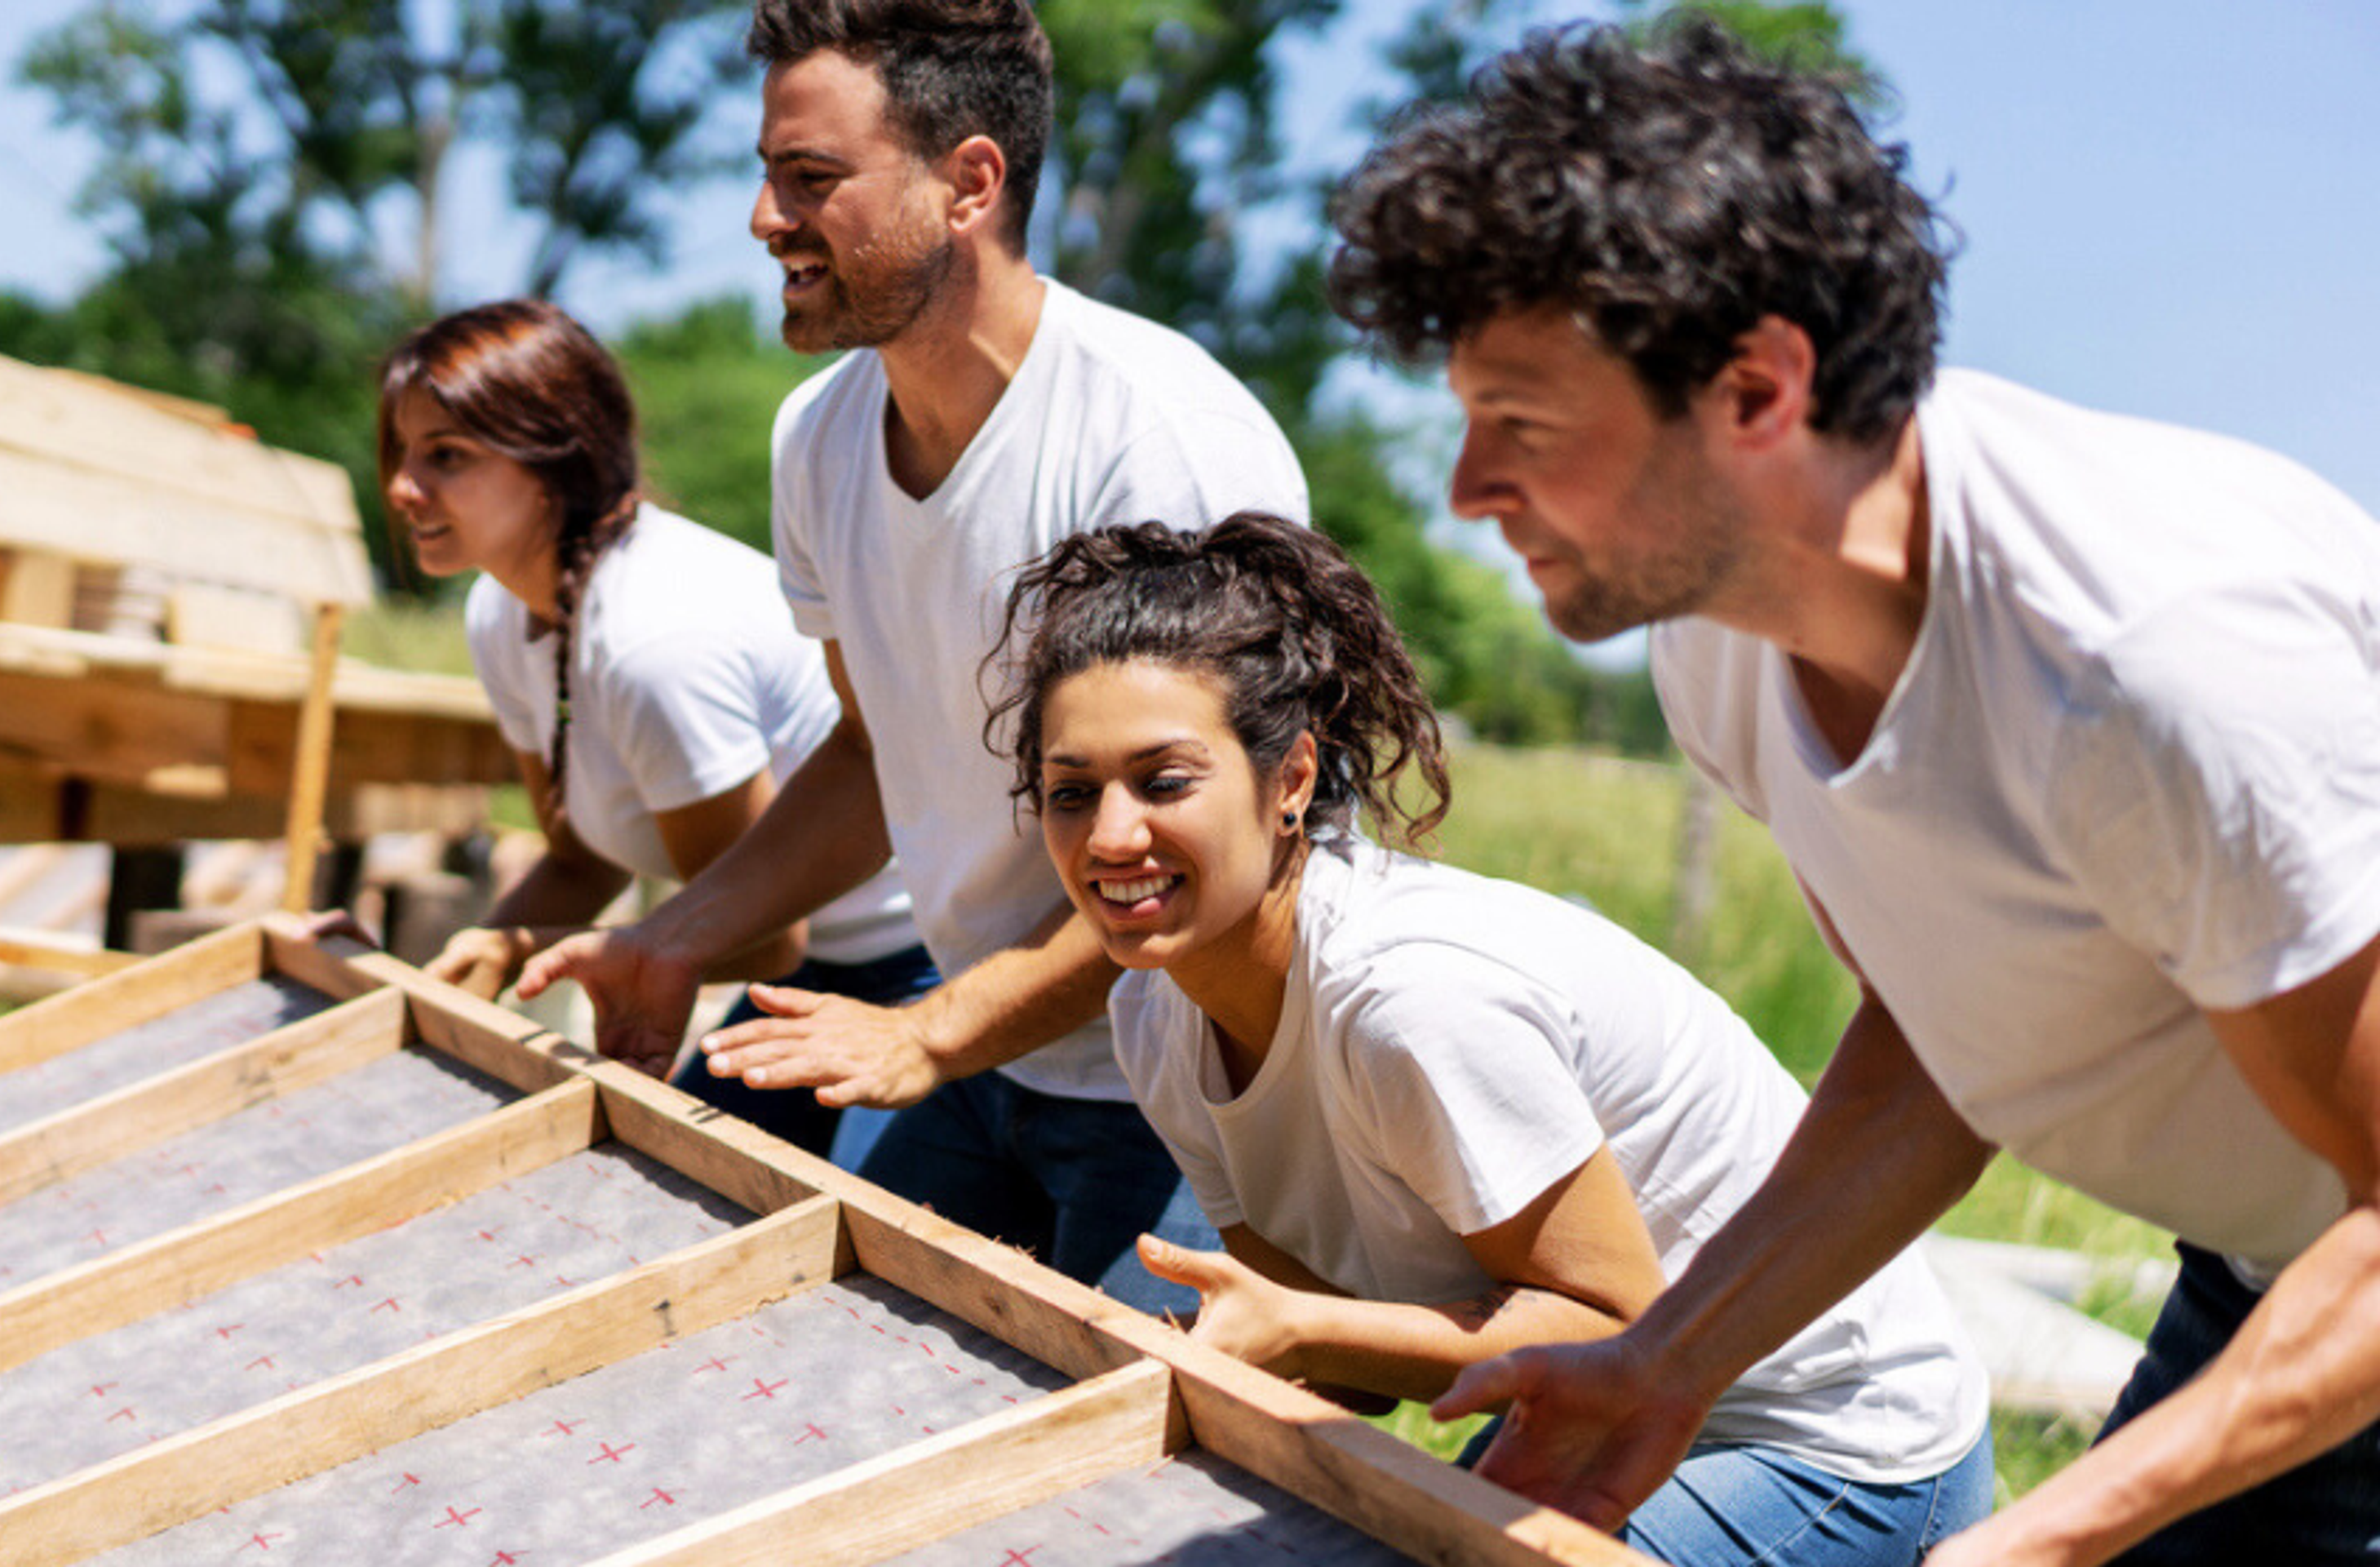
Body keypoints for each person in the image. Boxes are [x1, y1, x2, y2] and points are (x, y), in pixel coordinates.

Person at [1323, 20, 2380, 1566]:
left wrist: (2040, 1536)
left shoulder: (2151, 670)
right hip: (2277, 1268)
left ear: (1758, 389)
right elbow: (1948, 1040)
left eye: (1525, 427)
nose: (1467, 489)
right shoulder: (1724, 645)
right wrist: (1666, 1364)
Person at [994, 513, 1992, 1565]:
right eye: (1071, 792)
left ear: (1289, 780)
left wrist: (1295, 1336)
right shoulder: (1154, 1015)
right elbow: (1342, 1355)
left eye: (1163, 782)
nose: (1109, 836)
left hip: (1825, 1436)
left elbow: (1615, 1328)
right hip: (1591, 1412)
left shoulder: (1410, 1000)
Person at [515, 0, 1308, 1312]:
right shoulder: (817, 440)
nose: (766, 220)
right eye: (769, 176)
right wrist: (672, 938)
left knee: (1115, 1487)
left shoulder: (1155, 444)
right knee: (800, 1357)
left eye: (811, 180)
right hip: (973, 1046)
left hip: (1189, 1083)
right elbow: (870, 751)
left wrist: (931, 1028)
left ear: (970, 184)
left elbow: (1210, 850)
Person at [377, 299, 930, 1157]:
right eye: (401, 454)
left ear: (553, 460)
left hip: (910, 971)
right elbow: (579, 858)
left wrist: (537, 952)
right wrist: (474, 958)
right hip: (796, 971)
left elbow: (765, 933)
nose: (403, 488)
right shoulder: (501, 611)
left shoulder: (654, 642)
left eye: (445, 456)